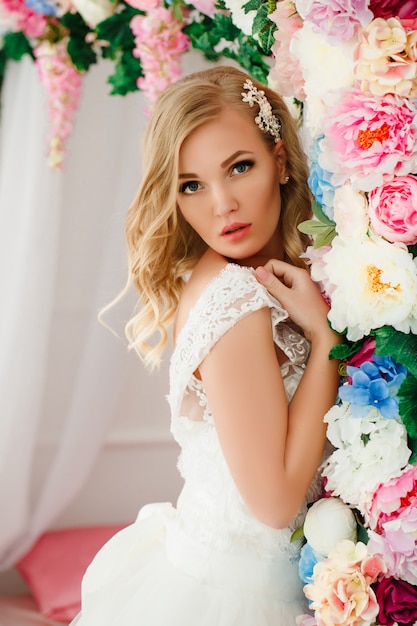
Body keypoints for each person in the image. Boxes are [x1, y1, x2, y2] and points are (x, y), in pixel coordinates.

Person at [71, 65, 342, 626]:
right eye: (191, 185)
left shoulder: (253, 274)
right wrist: (323, 343)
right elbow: (273, 505)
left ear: (280, 160)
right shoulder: (235, 301)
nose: (221, 205)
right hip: (237, 598)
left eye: (239, 168)